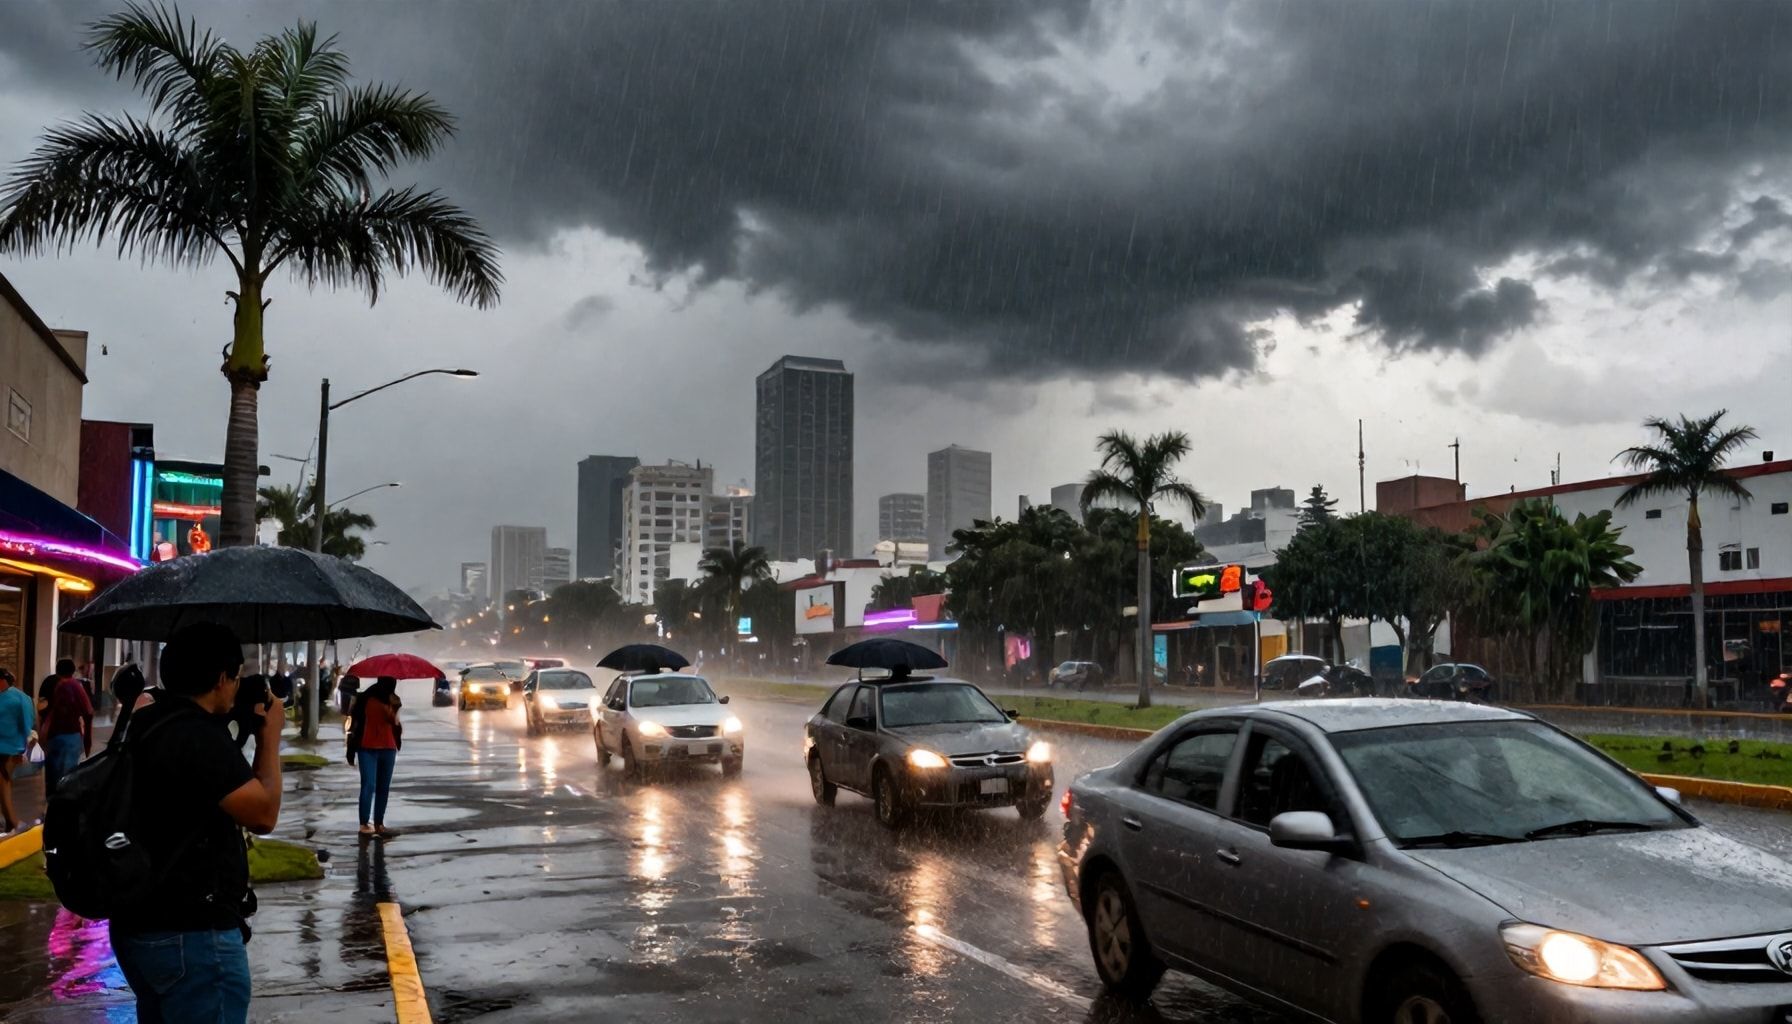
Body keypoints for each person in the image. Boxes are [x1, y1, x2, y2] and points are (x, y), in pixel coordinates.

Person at [109, 621, 283, 1024]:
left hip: (141, 924)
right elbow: (262, 814)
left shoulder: (149, 720)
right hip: (192, 937)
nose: (239, 687)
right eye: (237, 677)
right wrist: (270, 738)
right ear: (222, 678)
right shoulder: (195, 737)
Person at [346, 676, 402, 838]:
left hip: (388, 747)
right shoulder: (365, 698)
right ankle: (364, 824)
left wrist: (396, 707)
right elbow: (355, 721)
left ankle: (379, 824)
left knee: (383, 787)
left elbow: (395, 722)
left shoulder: (392, 700)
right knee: (369, 785)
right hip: (367, 746)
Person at [38, 659, 92, 797]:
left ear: (57, 670)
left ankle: (52, 807)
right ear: (73, 671)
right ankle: (64, 809)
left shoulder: (48, 682)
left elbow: (41, 708)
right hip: (70, 735)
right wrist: (87, 740)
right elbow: (88, 712)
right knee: (67, 777)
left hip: (51, 735)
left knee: (51, 775)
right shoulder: (75, 685)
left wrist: (41, 730)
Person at [0, 668, 35, 833]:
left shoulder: (20, 698)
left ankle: (14, 822)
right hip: (5, 747)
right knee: (3, 785)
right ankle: (9, 821)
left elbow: (27, 725)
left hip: (10, 748)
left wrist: (23, 750)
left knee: (3, 784)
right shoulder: (5, 697)